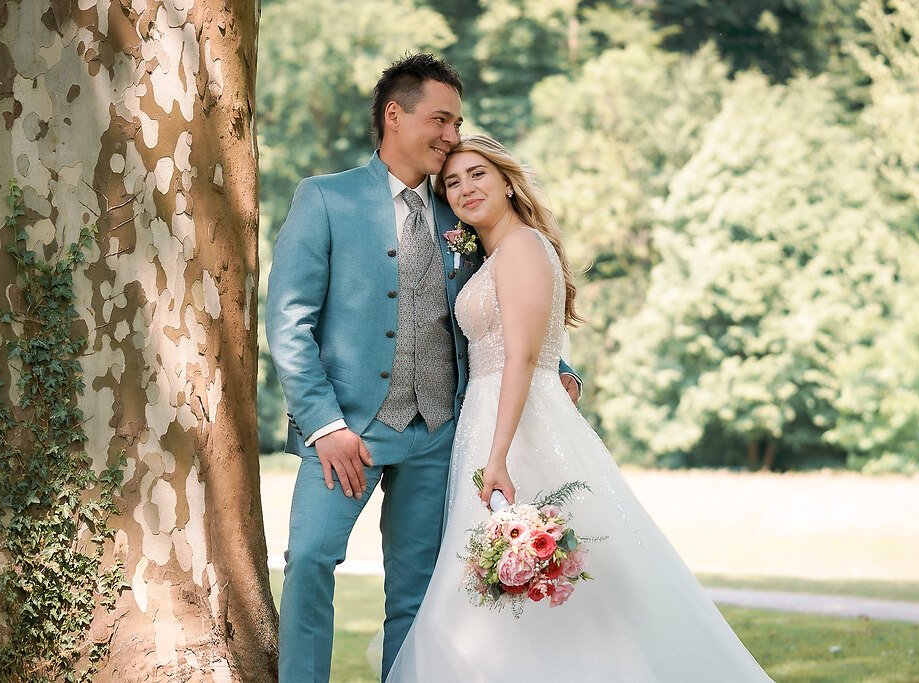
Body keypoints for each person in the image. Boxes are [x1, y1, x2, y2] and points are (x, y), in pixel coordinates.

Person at [385, 134, 776, 682]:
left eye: (477, 174)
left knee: (539, 579)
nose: (464, 188)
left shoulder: (522, 247)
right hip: (488, 418)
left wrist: (497, 456)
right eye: (451, 182)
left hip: (517, 427)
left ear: (507, 182)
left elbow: (523, 357)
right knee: (494, 589)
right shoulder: (494, 254)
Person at [265, 56, 580, 682]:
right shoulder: (326, 198)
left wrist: (557, 365)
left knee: (417, 592)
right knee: (309, 561)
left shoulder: (460, 210)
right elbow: (289, 320)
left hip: (438, 434)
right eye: (441, 119)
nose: (451, 135)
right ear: (394, 115)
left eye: (456, 122)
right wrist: (324, 425)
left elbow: (506, 299)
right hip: (347, 434)